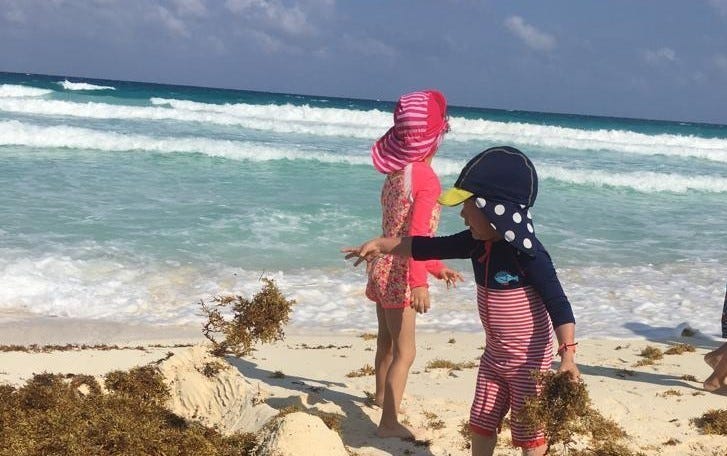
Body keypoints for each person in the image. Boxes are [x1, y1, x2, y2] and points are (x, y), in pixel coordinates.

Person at [344, 146, 579, 456]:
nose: (462, 214)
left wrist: (568, 356)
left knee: (530, 433)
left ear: (494, 211)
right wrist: (381, 244)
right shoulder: (475, 243)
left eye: (468, 206)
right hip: (494, 359)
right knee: (480, 423)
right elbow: (423, 247)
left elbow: (559, 304)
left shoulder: (529, 255)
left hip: (528, 364)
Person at [365, 89, 463, 439]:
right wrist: (420, 282)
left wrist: (437, 267)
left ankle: (381, 397)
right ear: (436, 141)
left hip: (381, 268)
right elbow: (418, 238)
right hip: (402, 275)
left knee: (385, 342)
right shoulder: (426, 179)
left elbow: (401, 232)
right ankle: (389, 422)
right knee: (406, 352)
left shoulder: (394, 176)